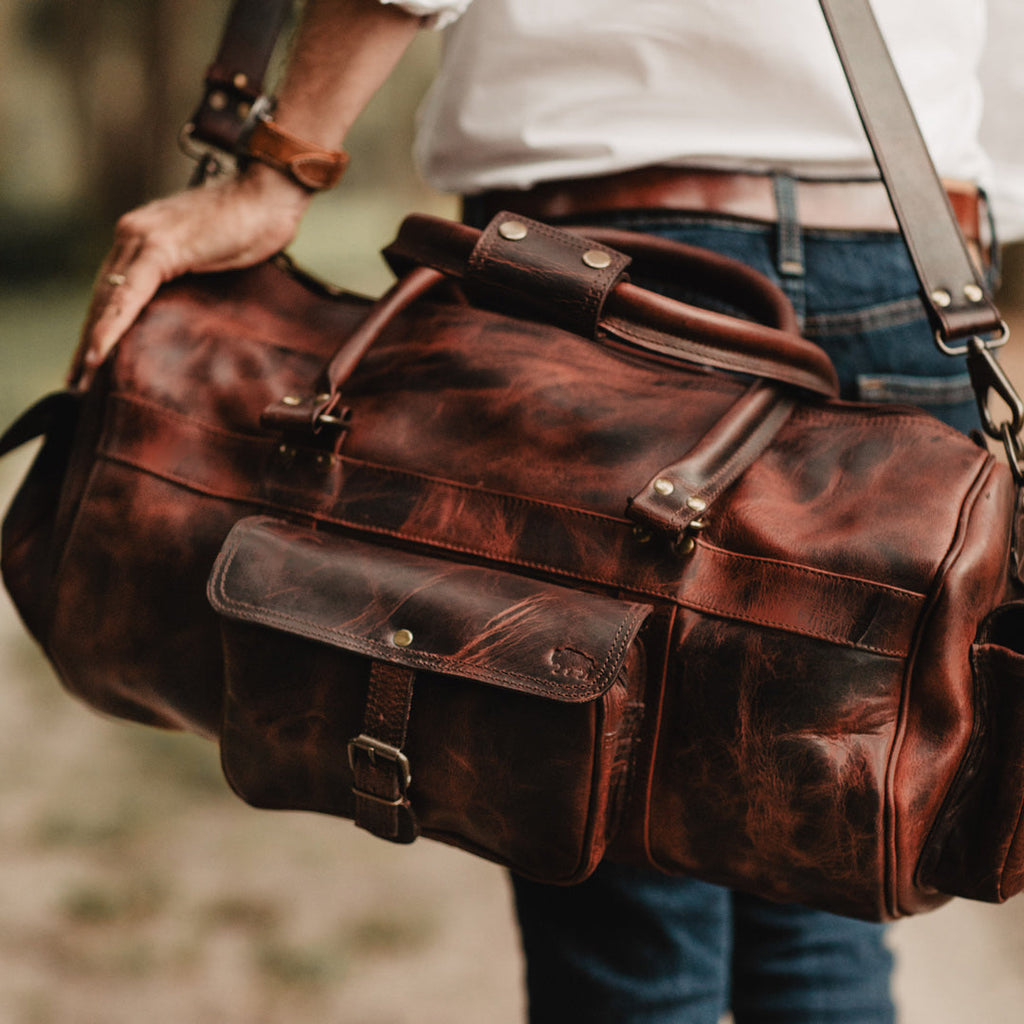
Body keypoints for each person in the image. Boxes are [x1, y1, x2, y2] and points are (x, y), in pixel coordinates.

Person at [69, 2, 1023, 1021]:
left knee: (618, 919)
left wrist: (276, 164)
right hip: (905, 247)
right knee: (820, 881)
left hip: (594, 267)